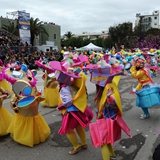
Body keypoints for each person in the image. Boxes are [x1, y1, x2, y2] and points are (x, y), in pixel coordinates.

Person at [51, 62, 93, 155]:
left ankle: (76, 146)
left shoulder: (64, 88)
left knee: (68, 130)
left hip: (70, 112)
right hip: (77, 110)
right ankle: (84, 143)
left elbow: (68, 101)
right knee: (78, 127)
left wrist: (60, 107)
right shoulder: (72, 84)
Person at [7, 80, 50, 147]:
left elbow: (14, 108)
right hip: (27, 113)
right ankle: (33, 137)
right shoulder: (18, 95)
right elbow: (14, 106)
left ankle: (29, 137)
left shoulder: (31, 89)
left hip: (30, 112)